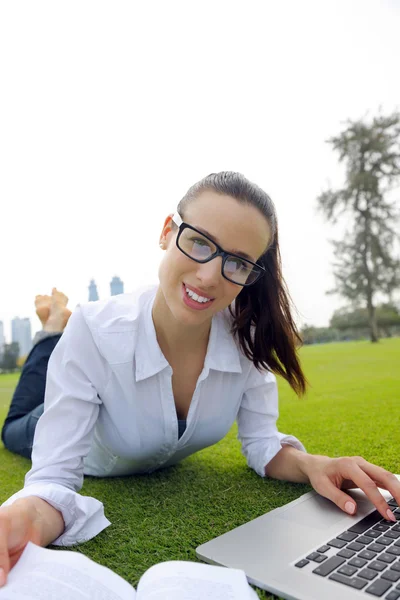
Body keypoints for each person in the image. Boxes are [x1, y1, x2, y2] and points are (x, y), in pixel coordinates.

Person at [0, 172, 399, 588]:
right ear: (167, 232)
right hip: (59, 425)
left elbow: (263, 444)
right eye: (199, 242)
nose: (210, 276)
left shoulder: (247, 337)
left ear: (251, 273)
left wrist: (314, 464)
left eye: (238, 262)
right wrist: (27, 516)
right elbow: (52, 479)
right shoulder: (95, 330)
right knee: (14, 427)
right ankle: (50, 332)